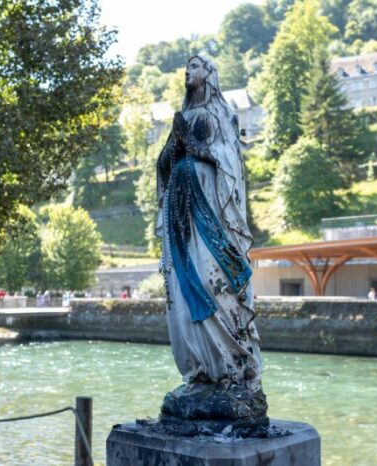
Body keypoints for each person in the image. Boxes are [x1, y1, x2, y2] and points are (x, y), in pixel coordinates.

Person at [156, 55, 264, 409]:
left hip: (210, 208)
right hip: (180, 208)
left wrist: (197, 148)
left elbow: (230, 158)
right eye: (186, 67)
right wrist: (174, 147)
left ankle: (230, 369)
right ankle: (200, 372)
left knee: (210, 279)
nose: (188, 71)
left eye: (195, 66)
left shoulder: (221, 112)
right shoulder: (183, 116)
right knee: (182, 289)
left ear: (210, 73)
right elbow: (164, 165)